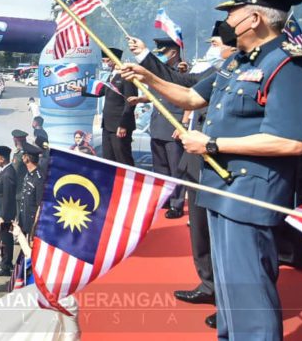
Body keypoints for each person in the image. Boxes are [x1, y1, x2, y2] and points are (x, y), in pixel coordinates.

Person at [121, 0, 302, 339]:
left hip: (250, 194)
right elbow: (191, 98)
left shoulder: (290, 66)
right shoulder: (237, 62)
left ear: (255, 18)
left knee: (248, 288)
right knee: (228, 289)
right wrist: (148, 77)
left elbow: (290, 142)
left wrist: (211, 144)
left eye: (233, 13)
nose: (228, 21)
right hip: (221, 187)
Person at [124, 22, 238, 328]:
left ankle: (231, 305)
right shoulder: (220, 69)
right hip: (196, 164)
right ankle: (209, 285)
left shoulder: (243, 68)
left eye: (215, 42)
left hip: (222, 166)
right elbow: (181, 82)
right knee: (199, 232)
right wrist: (145, 57)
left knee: (225, 243)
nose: (213, 46)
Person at [129, 37, 187, 218]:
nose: (160, 56)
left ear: (174, 52)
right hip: (157, 124)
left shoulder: (183, 71)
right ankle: (165, 199)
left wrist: (184, 124)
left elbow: (190, 99)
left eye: (163, 52)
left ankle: (177, 204)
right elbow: (157, 95)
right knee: (160, 167)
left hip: (173, 126)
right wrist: (141, 99)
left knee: (176, 168)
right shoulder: (160, 73)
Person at [79, 48, 138, 165]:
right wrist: (82, 90)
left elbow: (130, 102)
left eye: (106, 60)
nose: (104, 63)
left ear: (114, 60)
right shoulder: (111, 75)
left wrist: (123, 125)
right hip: (107, 125)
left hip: (119, 126)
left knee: (122, 157)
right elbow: (102, 91)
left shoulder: (126, 77)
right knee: (108, 158)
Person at [0, 146, 17, 276]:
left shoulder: (8, 174)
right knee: (4, 237)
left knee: (5, 239)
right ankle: (4, 261)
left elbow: (8, 197)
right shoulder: (5, 171)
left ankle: (6, 266)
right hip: (2, 212)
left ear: (2, 159)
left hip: (5, 214)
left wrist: (3, 216)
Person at [18, 142, 44, 236]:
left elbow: (40, 206)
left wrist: (34, 227)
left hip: (32, 225)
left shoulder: (39, 178)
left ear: (27, 157)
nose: (21, 157)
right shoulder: (28, 175)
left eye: (23, 155)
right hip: (24, 222)